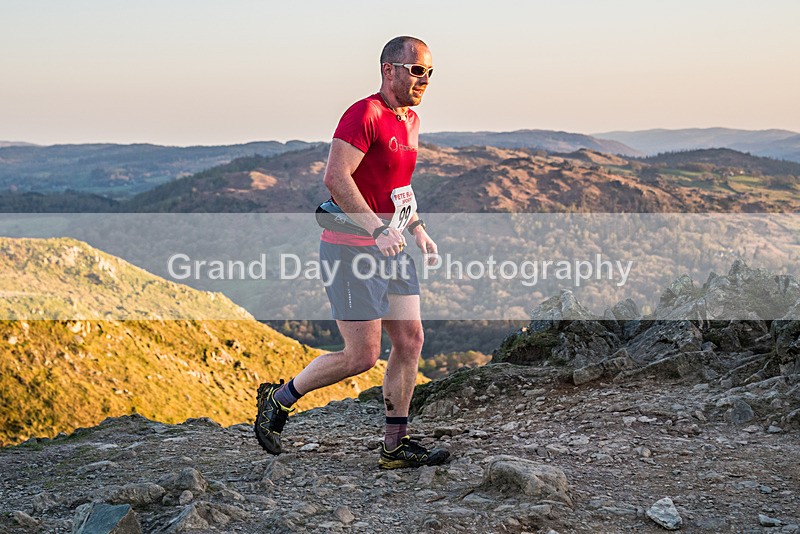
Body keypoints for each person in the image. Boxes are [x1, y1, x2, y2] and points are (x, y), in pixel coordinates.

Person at [254, 36, 449, 469]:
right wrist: (376, 228)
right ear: (389, 69)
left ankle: (395, 445)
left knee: (411, 339)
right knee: (361, 355)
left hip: (392, 246)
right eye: (417, 70)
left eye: (430, 72)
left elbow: (397, 186)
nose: (425, 80)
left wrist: (416, 227)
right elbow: (336, 178)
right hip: (351, 250)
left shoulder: (410, 121)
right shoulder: (365, 114)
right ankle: (279, 398)